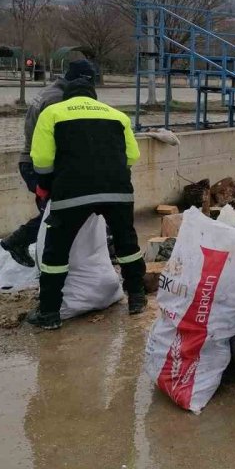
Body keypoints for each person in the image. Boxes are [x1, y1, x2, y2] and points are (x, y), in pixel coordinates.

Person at [26, 77, 146, 329]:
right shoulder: (117, 115)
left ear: (67, 96)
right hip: (117, 191)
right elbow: (132, 156)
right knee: (127, 244)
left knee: (56, 252)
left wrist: (47, 185)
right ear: (94, 97)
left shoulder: (53, 113)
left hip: (72, 192)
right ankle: (137, 297)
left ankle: (49, 312)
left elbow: (42, 160)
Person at [1, 59, 97, 268]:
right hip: (41, 165)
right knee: (58, 216)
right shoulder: (58, 100)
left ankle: (29, 247)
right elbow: (62, 141)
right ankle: (20, 242)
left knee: (57, 214)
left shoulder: (52, 91)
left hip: (32, 162)